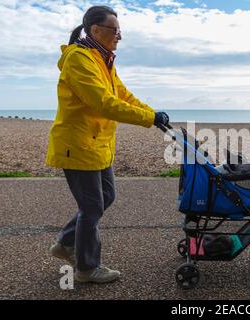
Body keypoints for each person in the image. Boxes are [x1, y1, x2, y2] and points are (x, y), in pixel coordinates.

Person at [46, 5, 170, 283]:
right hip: (77, 145)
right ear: (96, 30)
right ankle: (87, 268)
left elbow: (123, 95)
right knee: (91, 207)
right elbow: (104, 103)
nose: (120, 36)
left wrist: (153, 114)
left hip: (97, 146)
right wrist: (148, 118)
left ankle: (65, 243)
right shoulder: (79, 60)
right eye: (115, 31)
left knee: (105, 198)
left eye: (120, 31)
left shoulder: (104, 60)